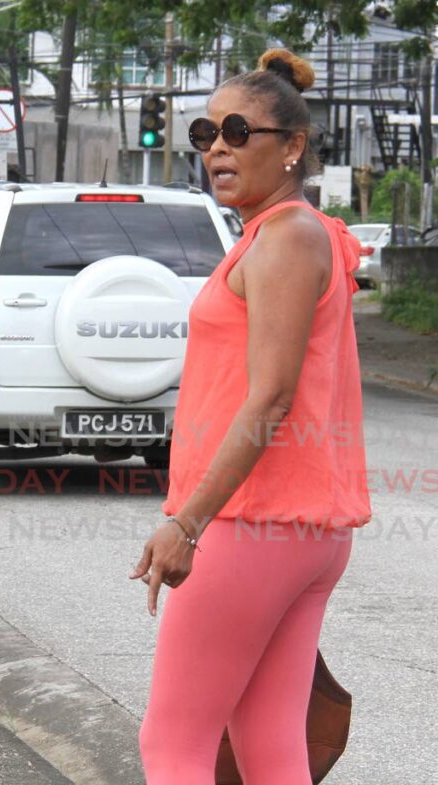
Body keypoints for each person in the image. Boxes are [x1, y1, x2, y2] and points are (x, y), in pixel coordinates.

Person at [130, 49, 371, 784]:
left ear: (292, 146)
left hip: (251, 522)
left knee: (172, 742)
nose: (219, 149)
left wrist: (188, 520)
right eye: (206, 135)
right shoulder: (297, 234)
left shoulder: (286, 238)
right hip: (299, 531)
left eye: (239, 131)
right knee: (269, 745)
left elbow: (269, 398)